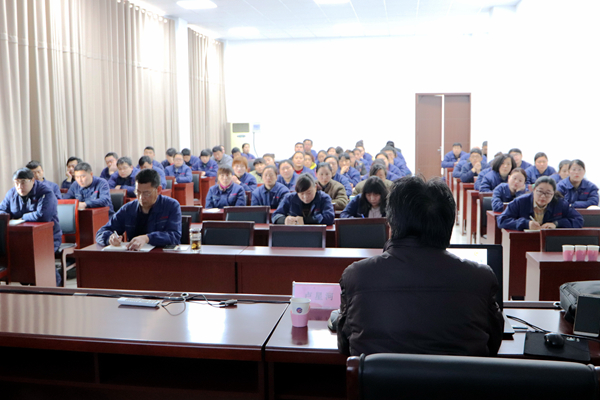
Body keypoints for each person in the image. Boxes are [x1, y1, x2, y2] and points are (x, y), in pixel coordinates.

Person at [337, 175, 504, 357]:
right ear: (449, 225)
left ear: (391, 223)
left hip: (381, 377)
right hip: (459, 377)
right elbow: (493, 346)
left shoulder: (358, 276)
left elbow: (346, 347)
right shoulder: (480, 278)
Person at [1, 168, 63, 285]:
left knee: (40, 257)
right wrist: (8, 217)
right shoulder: (11, 193)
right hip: (21, 237)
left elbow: (43, 215)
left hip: (48, 237)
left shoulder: (45, 192)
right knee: (18, 255)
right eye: (16, 183)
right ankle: (27, 282)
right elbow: (2, 211)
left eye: (23, 182)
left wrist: (22, 217)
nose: (19, 186)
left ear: (32, 181)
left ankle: (55, 284)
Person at [96, 169, 181, 249]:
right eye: (138, 192)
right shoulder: (128, 209)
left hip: (161, 255)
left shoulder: (171, 206)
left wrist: (147, 238)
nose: (141, 197)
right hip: (134, 254)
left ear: (158, 190)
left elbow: (174, 236)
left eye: (146, 193)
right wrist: (109, 238)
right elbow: (101, 232)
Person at [497, 176, 584, 231]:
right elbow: (501, 220)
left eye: (548, 193)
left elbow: (579, 220)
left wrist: (556, 224)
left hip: (550, 242)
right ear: (534, 190)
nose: (543, 196)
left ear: (553, 194)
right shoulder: (520, 202)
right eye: (540, 192)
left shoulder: (560, 203)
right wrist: (526, 224)